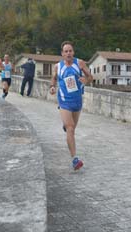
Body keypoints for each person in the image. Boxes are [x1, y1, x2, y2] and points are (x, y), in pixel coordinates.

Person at [49, 41, 93, 170]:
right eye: (66, 51)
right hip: (64, 101)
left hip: (77, 101)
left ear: (73, 52)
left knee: (72, 128)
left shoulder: (79, 63)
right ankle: (75, 159)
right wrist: (52, 87)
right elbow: (54, 78)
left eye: (70, 51)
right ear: (62, 54)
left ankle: (66, 125)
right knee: (70, 128)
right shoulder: (58, 66)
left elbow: (90, 77)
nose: (68, 53)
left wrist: (86, 80)